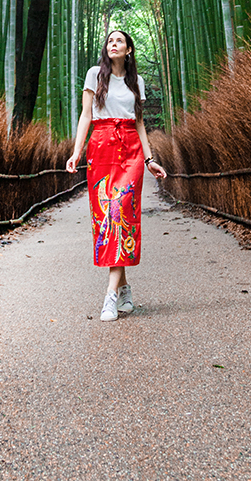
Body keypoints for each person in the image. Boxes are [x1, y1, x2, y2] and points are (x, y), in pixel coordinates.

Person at [66, 29, 167, 320]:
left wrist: (150, 159)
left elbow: (139, 124)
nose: (113, 44)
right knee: (106, 216)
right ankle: (124, 289)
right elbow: (86, 116)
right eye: (110, 40)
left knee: (121, 211)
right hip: (101, 147)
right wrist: (76, 152)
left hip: (131, 151)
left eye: (119, 41)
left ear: (129, 50)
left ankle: (110, 296)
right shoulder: (95, 74)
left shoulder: (137, 82)